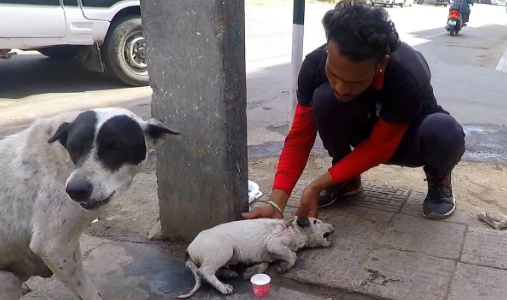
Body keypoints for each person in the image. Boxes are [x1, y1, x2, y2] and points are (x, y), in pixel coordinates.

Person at [242, 0, 465, 221]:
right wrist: (276, 203)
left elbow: (379, 148)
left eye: (354, 82)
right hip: (363, 127)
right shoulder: (313, 65)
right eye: (334, 74)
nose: (340, 87)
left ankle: (439, 178)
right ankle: (346, 179)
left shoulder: (407, 75)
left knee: (445, 131)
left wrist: (317, 185)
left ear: (381, 65)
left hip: (405, 137)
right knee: (324, 98)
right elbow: (299, 138)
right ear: (328, 49)